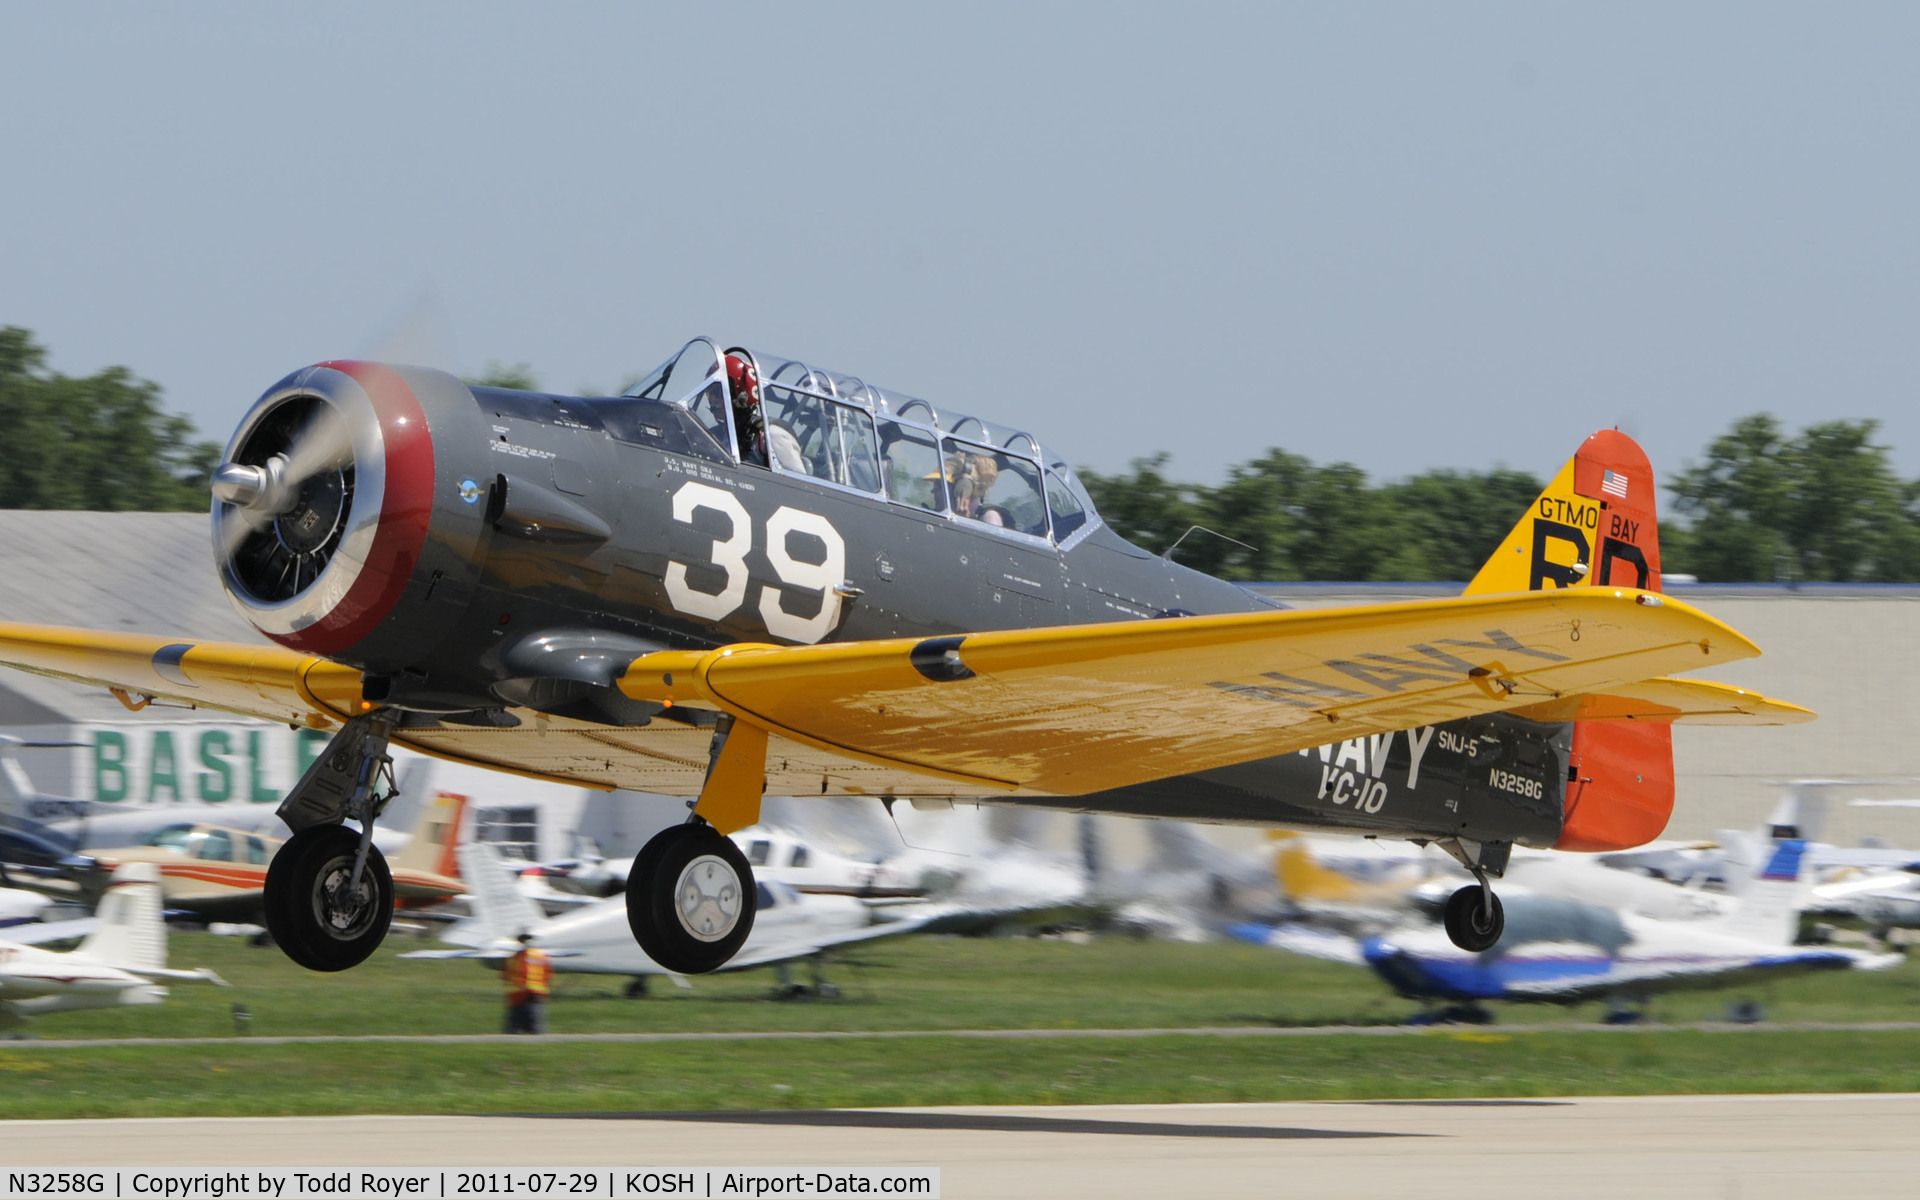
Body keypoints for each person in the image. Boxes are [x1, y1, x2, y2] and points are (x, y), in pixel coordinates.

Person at [500, 931, 552, 1034]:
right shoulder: (540, 957)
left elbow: (505, 976)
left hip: (525, 994)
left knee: (517, 1027)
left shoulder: (513, 958)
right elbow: (547, 975)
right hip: (528, 994)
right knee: (532, 1025)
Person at [725, 353, 768, 467]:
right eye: (710, 392)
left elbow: (798, 482)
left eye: (719, 390)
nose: (712, 399)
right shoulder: (718, 435)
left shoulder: (770, 436)